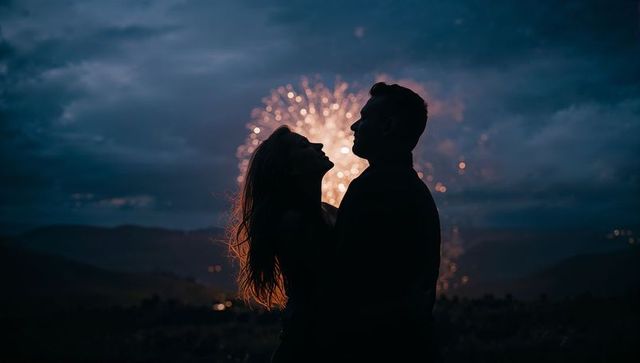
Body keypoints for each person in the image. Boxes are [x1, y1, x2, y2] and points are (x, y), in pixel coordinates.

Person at [330, 82, 441, 361]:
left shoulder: (373, 189)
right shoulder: (410, 188)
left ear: (388, 126)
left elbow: (347, 277)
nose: (354, 126)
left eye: (365, 118)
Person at [227, 126, 336, 363]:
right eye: (305, 145)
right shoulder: (293, 223)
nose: (320, 146)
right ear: (291, 168)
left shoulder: (326, 211)